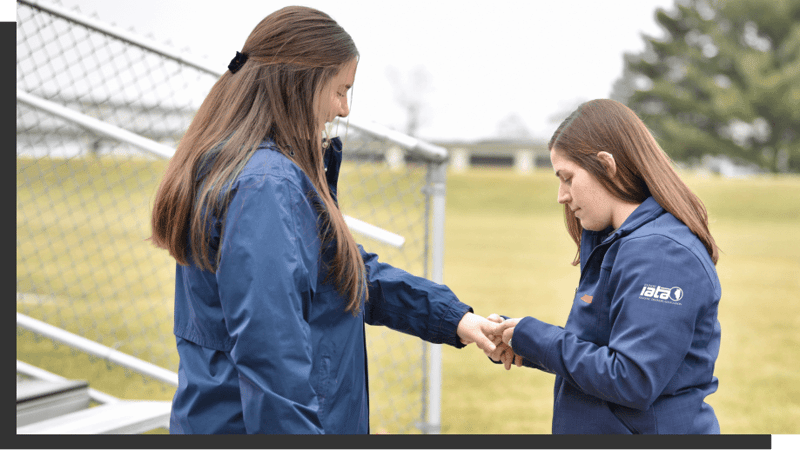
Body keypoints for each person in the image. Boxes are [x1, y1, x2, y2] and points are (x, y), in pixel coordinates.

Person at [149, 6, 504, 434]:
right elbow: (271, 355)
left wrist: (455, 319)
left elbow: (344, 270)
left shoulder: (252, 171)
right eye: (340, 90)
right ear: (299, 83)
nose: (345, 109)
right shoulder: (266, 184)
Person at [489, 99, 722, 434]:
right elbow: (602, 355)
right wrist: (523, 344)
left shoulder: (663, 254)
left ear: (606, 164)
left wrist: (539, 339)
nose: (561, 195)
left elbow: (632, 379)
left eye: (567, 177)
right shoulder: (616, 243)